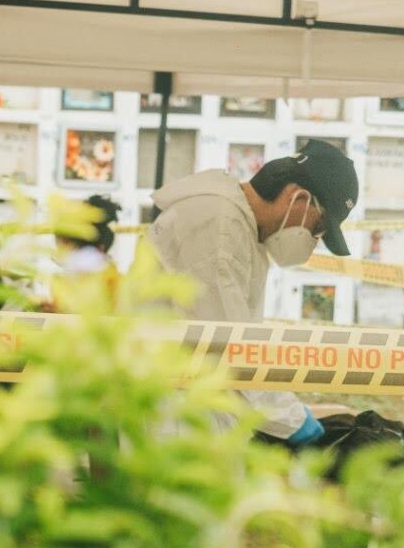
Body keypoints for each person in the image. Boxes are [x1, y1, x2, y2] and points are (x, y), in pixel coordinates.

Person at [148, 139, 358, 446]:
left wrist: (284, 410)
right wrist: (292, 419)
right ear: (298, 198)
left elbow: (241, 343)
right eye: (318, 228)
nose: (314, 241)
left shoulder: (240, 228)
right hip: (167, 412)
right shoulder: (218, 225)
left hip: (189, 403)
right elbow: (229, 349)